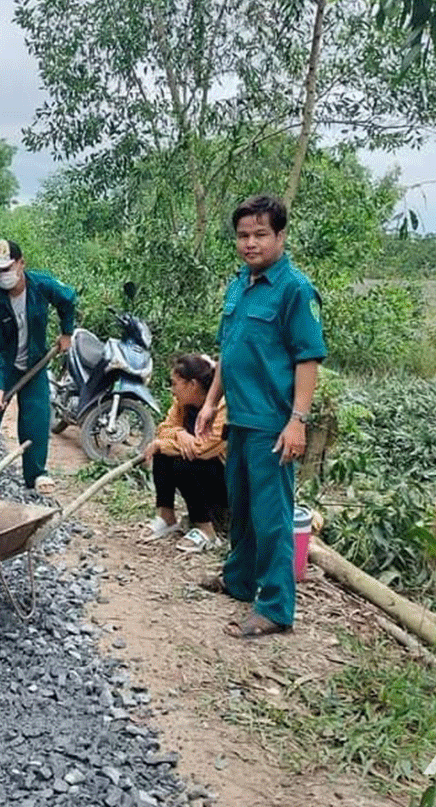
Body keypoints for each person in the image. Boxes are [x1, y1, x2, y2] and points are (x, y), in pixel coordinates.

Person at [195, 195, 325, 639]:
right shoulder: (239, 285)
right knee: (244, 509)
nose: (250, 244)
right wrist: (212, 402)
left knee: (272, 517)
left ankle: (274, 607)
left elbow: (308, 359)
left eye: (260, 235)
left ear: (281, 236)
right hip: (240, 418)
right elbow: (229, 353)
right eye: (243, 235)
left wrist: (298, 421)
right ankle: (239, 580)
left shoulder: (294, 289)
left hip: (273, 421)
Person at [0, 239, 76, 496]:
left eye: (6, 268)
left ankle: (36, 474)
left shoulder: (41, 286)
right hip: (4, 367)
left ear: (21, 264)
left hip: (35, 363)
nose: (2, 275)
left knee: (37, 416)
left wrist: (67, 332)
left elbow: (68, 298)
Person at [141, 354, 228, 552]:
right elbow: (164, 428)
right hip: (199, 467)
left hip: (226, 477)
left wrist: (163, 445)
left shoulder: (222, 406)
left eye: (175, 384)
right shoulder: (181, 404)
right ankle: (166, 516)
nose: (172, 389)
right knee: (162, 455)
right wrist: (180, 434)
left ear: (192, 385)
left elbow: (203, 449)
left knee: (182, 462)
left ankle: (207, 531)